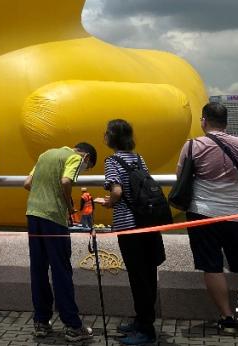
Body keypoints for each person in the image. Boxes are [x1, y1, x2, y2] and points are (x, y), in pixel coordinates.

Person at [178, 101, 238, 335]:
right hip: (234, 213)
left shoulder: (193, 145)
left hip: (201, 212)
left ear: (203, 121)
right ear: (226, 122)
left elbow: (180, 175)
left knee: (212, 266)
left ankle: (227, 317)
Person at [96, 120, 165, 346]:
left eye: (106, 133)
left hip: (128, 225)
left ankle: (146, 330)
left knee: (138, 277)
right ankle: (142, 320)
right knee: (148, 274)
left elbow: (116, 190)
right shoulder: (138, 158)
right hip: (147, 222)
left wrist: (108, 203)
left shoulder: (111, 161)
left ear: (111, 138)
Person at [24, 141, 97, 344]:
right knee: (61, 271)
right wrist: (69, 205)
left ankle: (41, 321)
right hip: (54, 219)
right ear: (86, 158)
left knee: (38, 270)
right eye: (86, 168)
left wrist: (42, 196)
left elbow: (27, 183)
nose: (82, 170)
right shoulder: (75, 157)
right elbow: (66, 181)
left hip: (33, 214)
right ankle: (73, 326)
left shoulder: (45, 154)